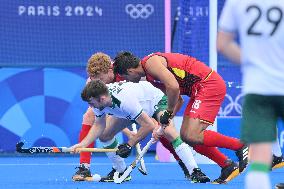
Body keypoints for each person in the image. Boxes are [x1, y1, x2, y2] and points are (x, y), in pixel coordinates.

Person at [113, 51, 249, 184]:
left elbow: (174, 87)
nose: (127, 81)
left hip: (208, 84)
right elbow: (178, 100)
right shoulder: (150, 77)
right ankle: (227, 165)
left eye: (125, 78)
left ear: (130, 71)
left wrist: (168, 112)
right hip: (197, 91)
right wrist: (164, 124)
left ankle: (240, 145)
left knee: (192, 134)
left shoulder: (150, 63)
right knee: (187, 136)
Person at [73, 52, 208, 182]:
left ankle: (192, 169)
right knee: (102, 132)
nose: (98, 84)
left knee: (166, 131)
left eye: (101, 79)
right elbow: (100, 123)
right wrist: (83, 144)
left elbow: (151, 119)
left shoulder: (130, 74)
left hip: (153, 102)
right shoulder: (95, 88)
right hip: (128, 110)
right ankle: (113, 170)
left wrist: (130, 143)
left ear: (110, 70)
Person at [217, 0, 284, 188]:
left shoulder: (237, 3)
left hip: (258, 87)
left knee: (260, 161)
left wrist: (254, 64)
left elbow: (222, 44)